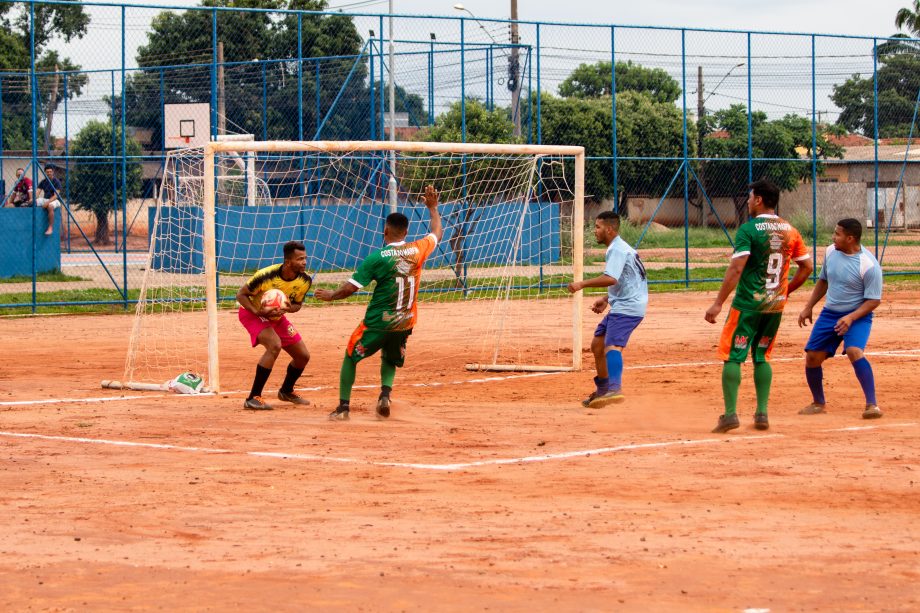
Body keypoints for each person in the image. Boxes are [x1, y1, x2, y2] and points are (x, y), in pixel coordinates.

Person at [315, 185, 443, 421]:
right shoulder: (418, 249)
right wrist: (433, 208)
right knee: (390, 356)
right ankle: (385, 395)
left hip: (378, 322)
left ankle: (343, 408)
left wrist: (331, 295)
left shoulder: (376, 258)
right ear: (406, 232)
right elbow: (436, 233)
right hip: (405, 322)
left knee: (351, 355)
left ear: (385, 231)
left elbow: (350, 288)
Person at [705, 179, 813, 433]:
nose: (748, 201)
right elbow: (807, 267)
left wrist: (718, 302)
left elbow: (737, 267)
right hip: (774, 306)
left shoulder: (749, 229)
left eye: (750, 196)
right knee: (762, 356)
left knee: (733, 355)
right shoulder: (790, 230)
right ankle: (762, 413)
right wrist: (783, 292)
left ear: (759, 200)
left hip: (747, 305)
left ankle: (730, 414)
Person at [797, 219, 883, 419]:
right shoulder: (830, 252)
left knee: (854, 351)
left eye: (837, 234)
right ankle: (818, 403)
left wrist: (851, 317)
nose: (833, 237)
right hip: (830, 314)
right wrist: (809, 306)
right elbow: (823, 280)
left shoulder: (869, 265)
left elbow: (874, 301)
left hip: (858, 315)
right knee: (812, 358)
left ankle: (872, 405)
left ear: (850, 238)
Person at [567, 211, 648, 407]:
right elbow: (627, 279)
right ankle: (603, 390)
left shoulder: (617, 249)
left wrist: (582, 284)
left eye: (597, 227)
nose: (594, 231)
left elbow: (611, 278)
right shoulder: (618, 247)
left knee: (612, 346)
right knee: (597, 345)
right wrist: (607, 298)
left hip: (628, 307)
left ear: (609, 229)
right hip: (624, 303)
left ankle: (614, 390)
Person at [236, 240, 313, 410]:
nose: (304, 262)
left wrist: (286, 308)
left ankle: (286, 391)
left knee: (303, 356)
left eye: (305, 258)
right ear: (287, 261)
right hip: (252, 313)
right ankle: (253, 398)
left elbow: (297, 305)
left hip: (277, 317)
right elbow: (241, 294)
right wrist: (258, 312)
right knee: (274, 345)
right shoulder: (265, 275)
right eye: (300, 259)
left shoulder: (305, 281)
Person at [35, 165, 63, 235]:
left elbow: (56, 196)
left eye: (50, 171)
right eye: (47, 172)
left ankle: (50, 228)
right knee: (32, 203)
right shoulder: (43, 182)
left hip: (55, 200)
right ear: (45, 172)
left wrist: (47, 203)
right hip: (45, 199)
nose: (49, 173)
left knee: (50, 206)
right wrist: (33, 199)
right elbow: (37, 192)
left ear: (53, 172)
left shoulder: (56, 181)